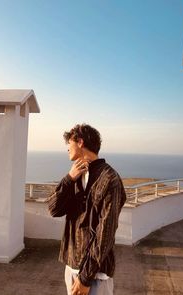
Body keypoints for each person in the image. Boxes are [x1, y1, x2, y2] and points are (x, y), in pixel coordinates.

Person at [47, 124, 126, 295]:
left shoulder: (110, 179)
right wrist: (69, 179)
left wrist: (85, 278)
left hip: (96, 276)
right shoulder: (75, 175)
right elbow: (53, 209)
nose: (67, 148)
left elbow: (105, 233)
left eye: (69, 142)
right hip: (71, 268)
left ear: (80, 142)